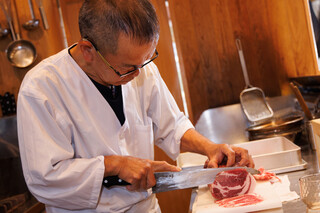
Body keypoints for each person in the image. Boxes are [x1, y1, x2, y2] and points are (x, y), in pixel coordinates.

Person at [17, 0, 254, 212]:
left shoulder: (140, 68)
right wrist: (115, 165)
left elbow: (171, 126)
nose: (138, 73)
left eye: (146, 60)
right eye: (128, 67)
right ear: (89, 50)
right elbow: (44, 179)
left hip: (144, 207)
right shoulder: (42, 88)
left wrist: (211, 148)